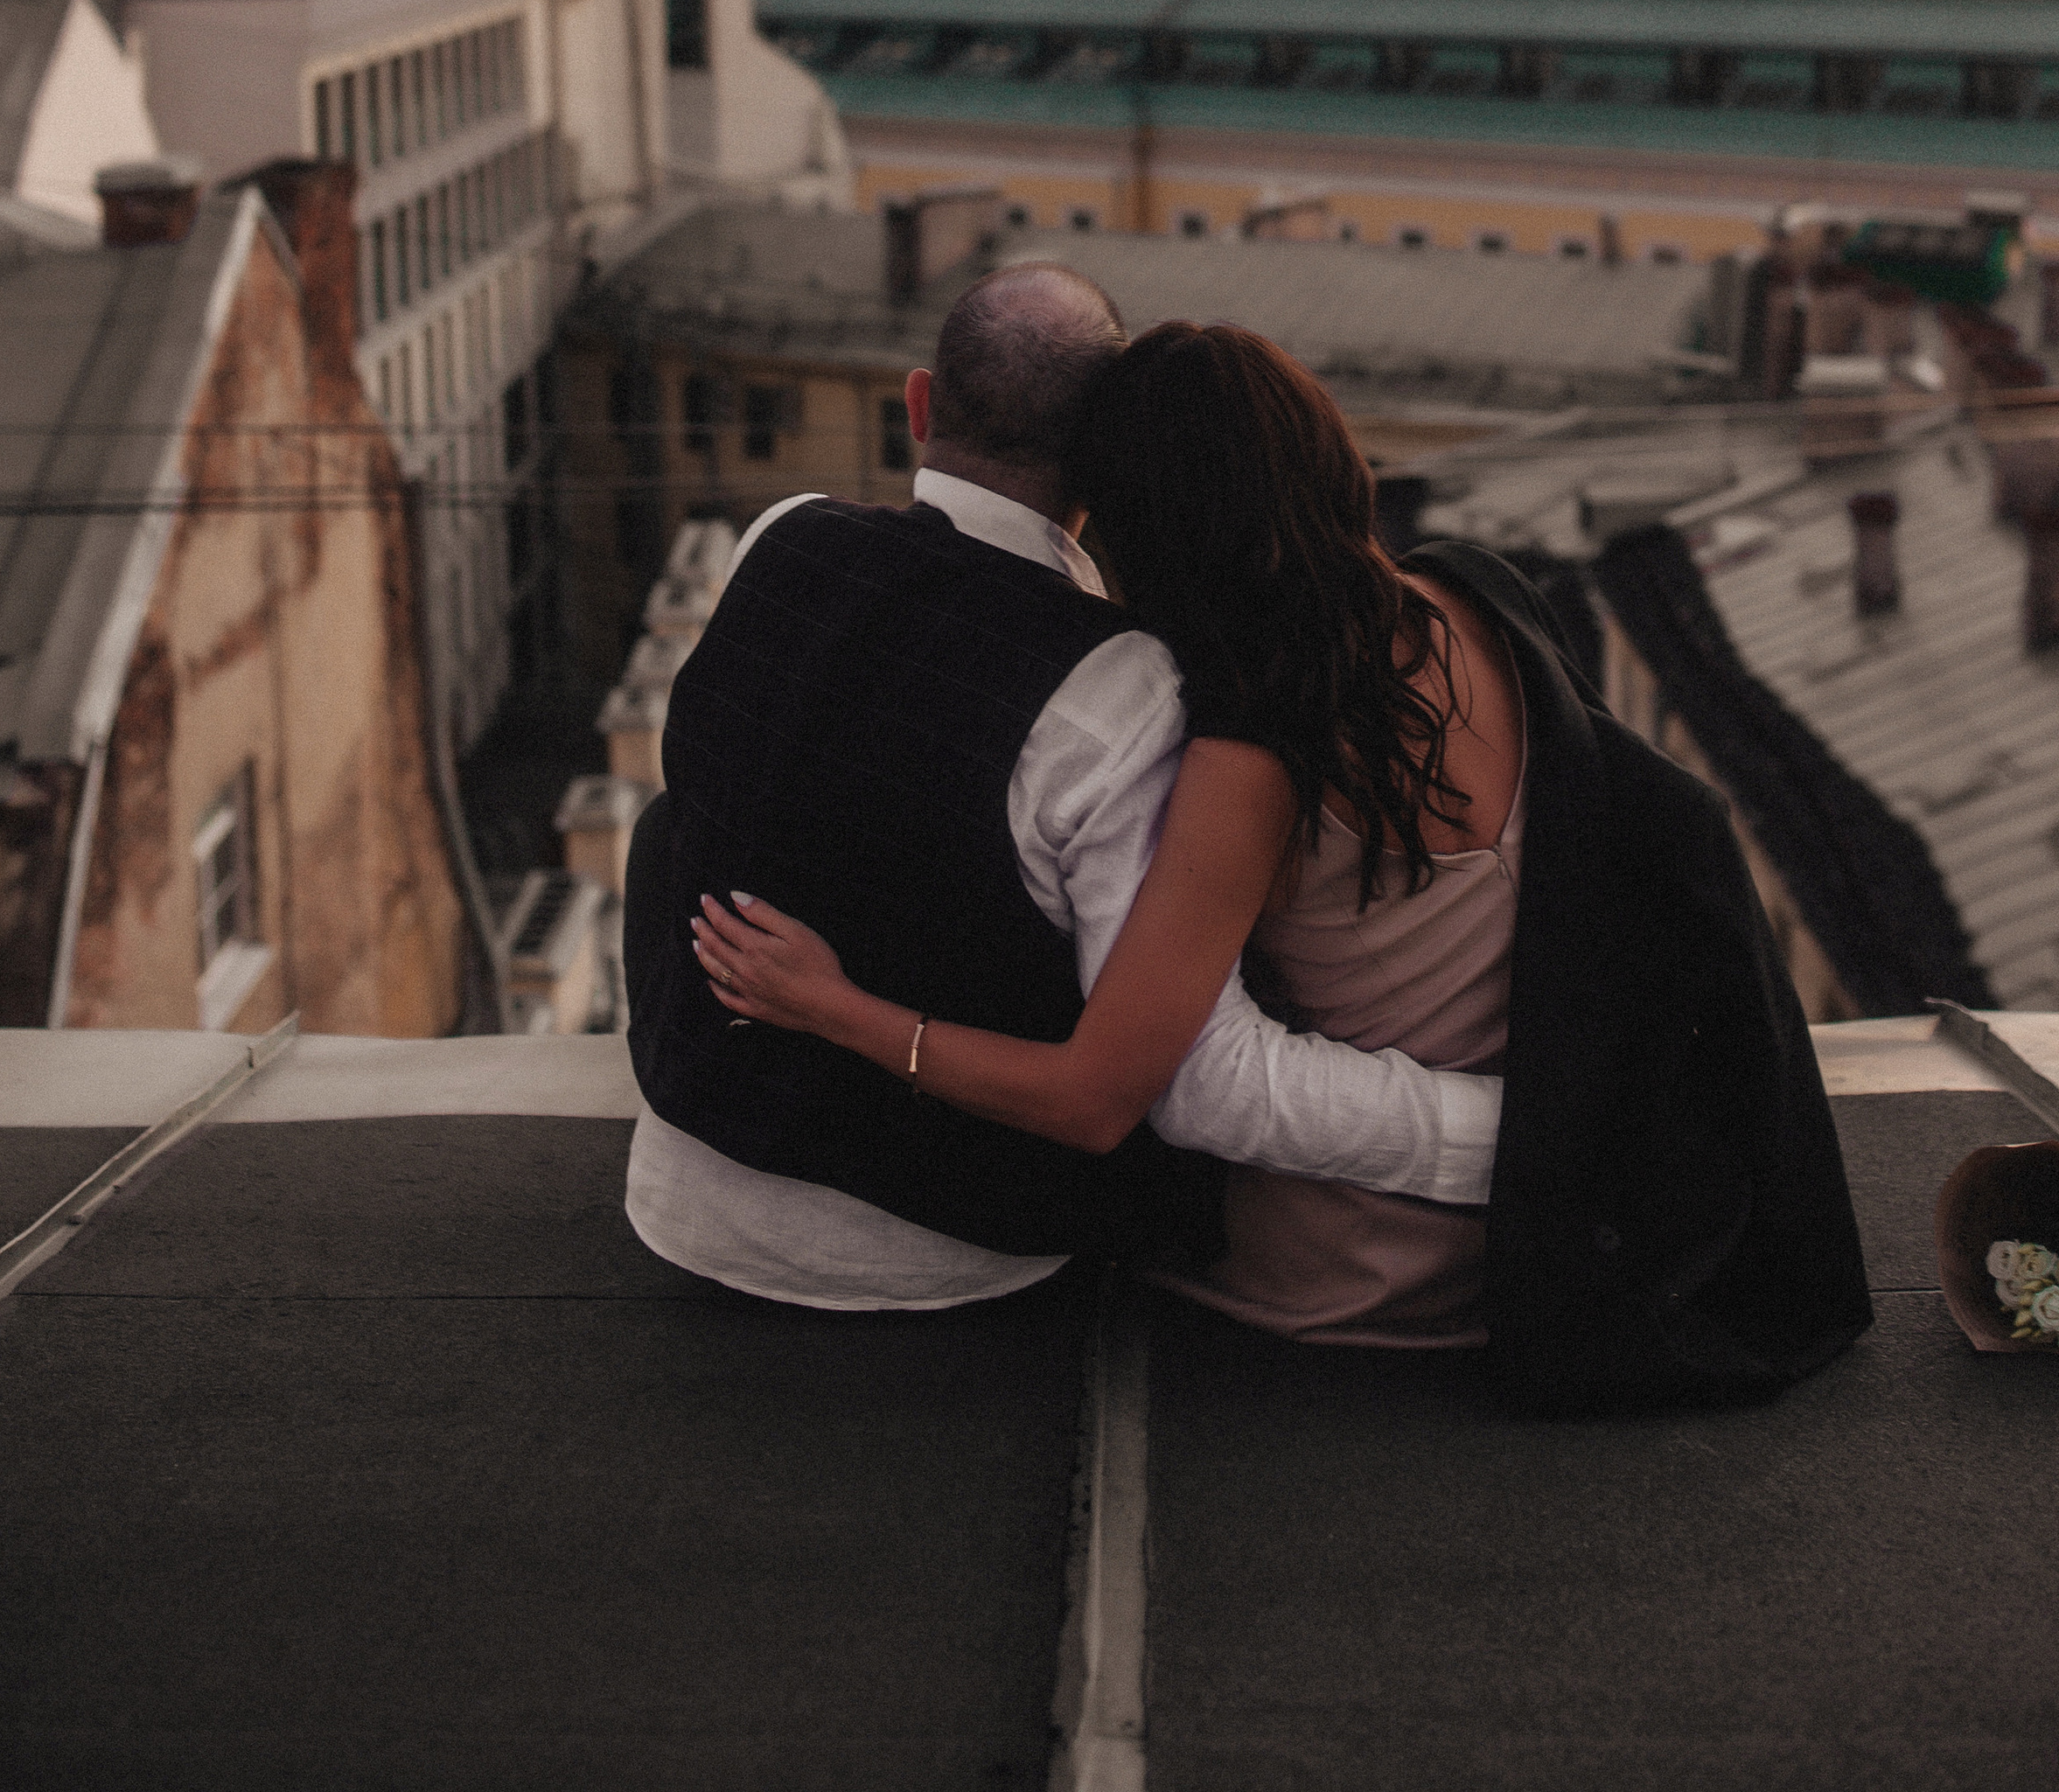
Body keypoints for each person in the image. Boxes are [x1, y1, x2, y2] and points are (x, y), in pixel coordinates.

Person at [695, 318, 1875, 1408]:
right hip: (1543, 1241)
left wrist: (840, 1009)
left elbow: (1106, 1097)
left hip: (1352, 1275)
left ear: (1143, 529)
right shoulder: (1477, 602)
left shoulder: (1251, 751)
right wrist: (1557, 1140)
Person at [622, 266, 1503, 1315]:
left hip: (682, 1180)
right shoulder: (1118, 686)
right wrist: (1517, 1134)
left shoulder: (783, 535)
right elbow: (1189, 1080)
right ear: (1105, 467)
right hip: (944, 1249)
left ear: (917, 404)